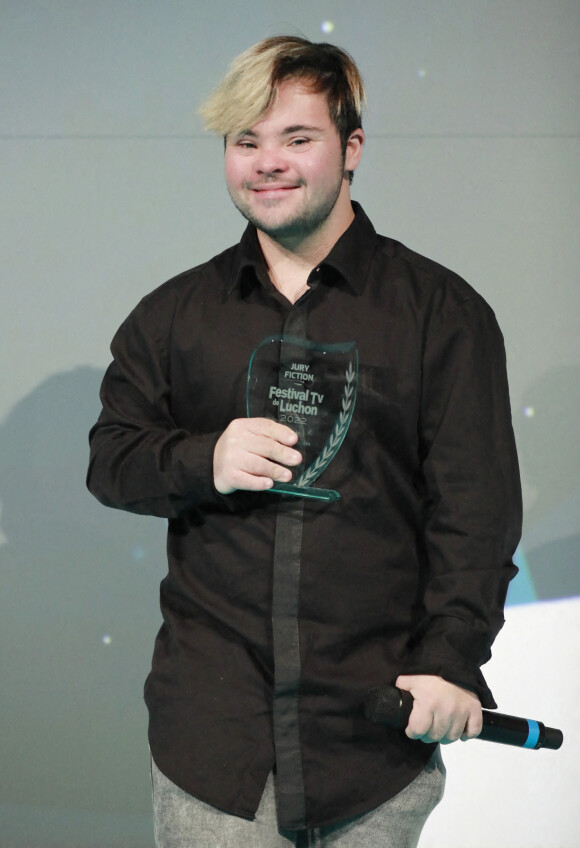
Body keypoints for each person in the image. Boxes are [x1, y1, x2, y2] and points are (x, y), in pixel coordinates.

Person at [87, 36, 522, 848]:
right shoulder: (175, 315)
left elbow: (476, 513)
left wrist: (452, 660)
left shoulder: (441, 313)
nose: (267, 163)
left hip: (372, 747)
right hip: (213, 753)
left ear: (352, 148)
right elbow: (110, 460)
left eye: (297, 138)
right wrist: (203, 458)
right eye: (245, 141)